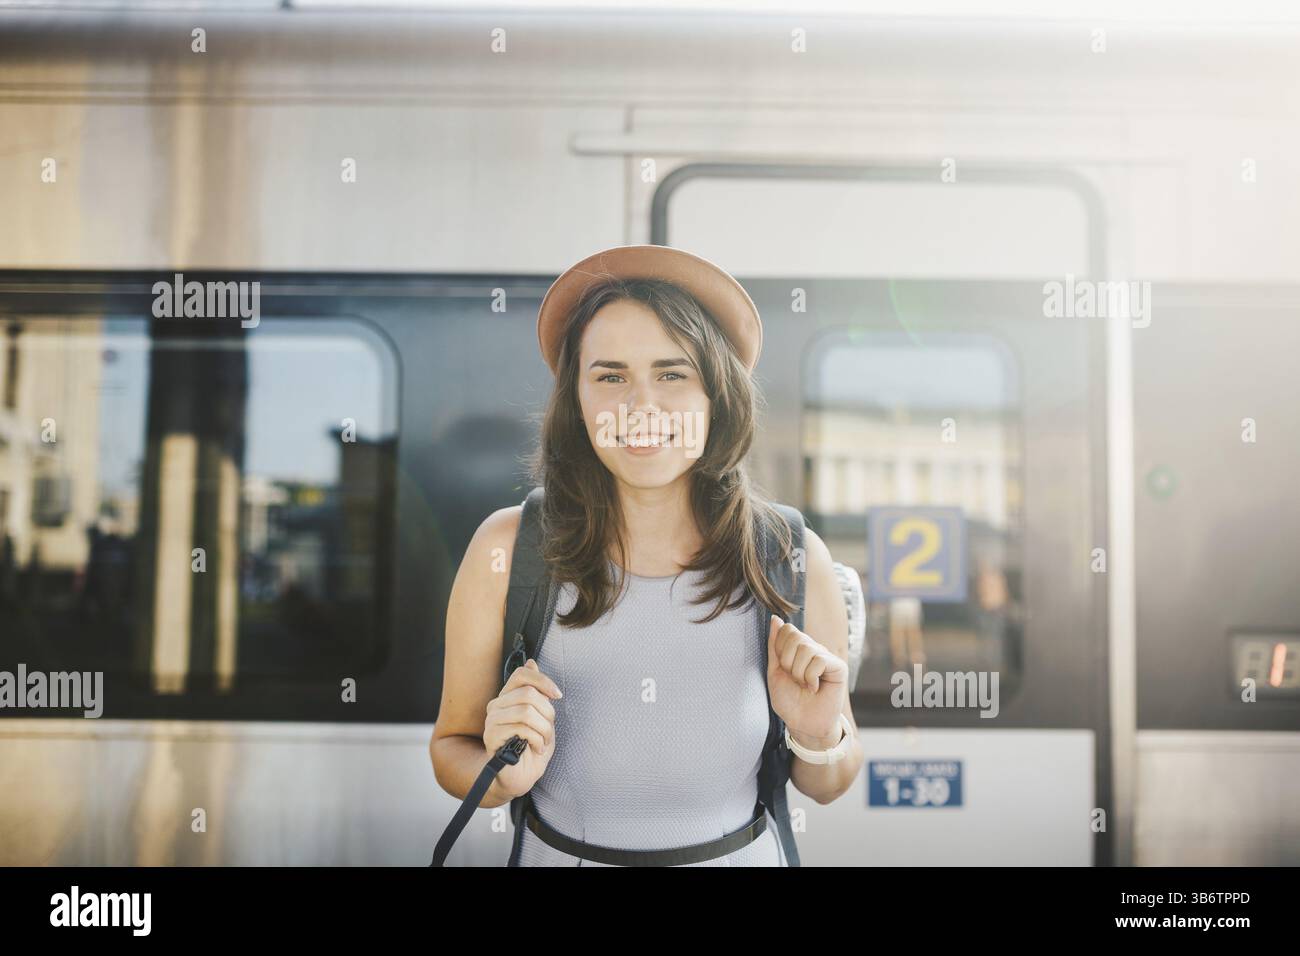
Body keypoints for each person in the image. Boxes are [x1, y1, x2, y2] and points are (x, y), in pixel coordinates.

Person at [430, 245, 862, 866]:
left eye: (673, 373)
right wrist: (503, 773)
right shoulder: (508, 547)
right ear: (577, 402)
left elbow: (829, 782)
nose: (642, 408)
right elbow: (451, 749)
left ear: (718, 394)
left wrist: (819, 735)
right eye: (610, 377)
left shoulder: (790, 554)